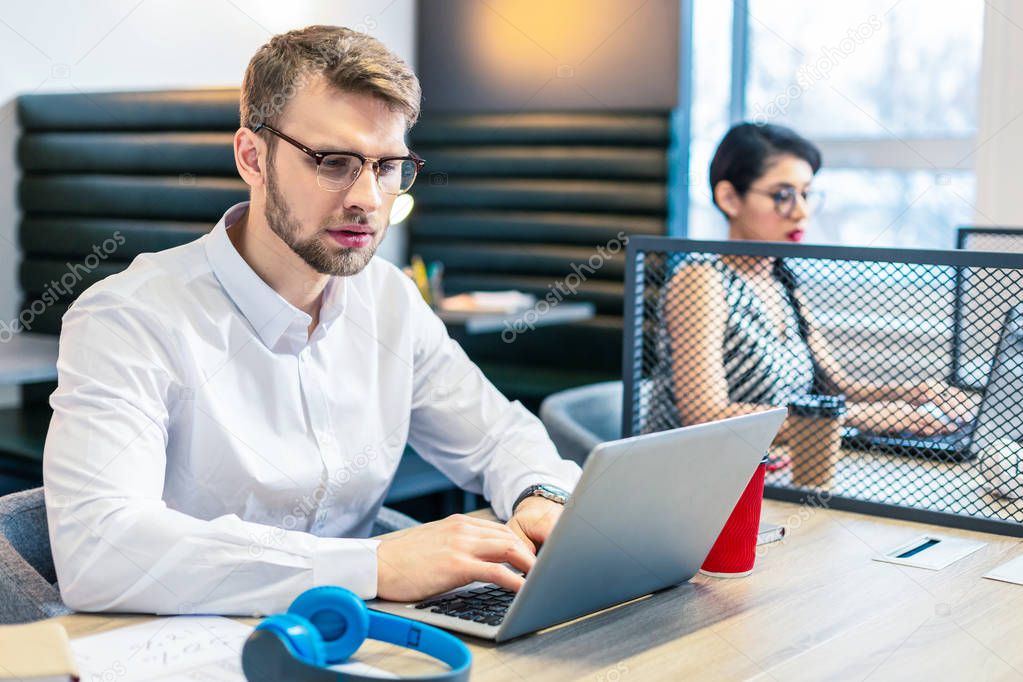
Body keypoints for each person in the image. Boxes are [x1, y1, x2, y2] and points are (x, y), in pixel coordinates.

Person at [43, 25, 580, 615]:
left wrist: (541, 495)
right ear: (253, 157)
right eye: (334, 161)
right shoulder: (128, 318)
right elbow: (101, 550)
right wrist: (373, 566)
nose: (369, 200)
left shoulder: (390, 302)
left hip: (365, 637)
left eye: (387, 166)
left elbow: (499, 437)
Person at [644, 122, 976, 448]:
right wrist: (856, 416)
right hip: (701, 477)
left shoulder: (781, 281)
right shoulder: (702, 282)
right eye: (783, 195)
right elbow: (706, 417)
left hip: (766, 469)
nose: (801, 212)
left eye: (806, 194)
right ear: (730, 198)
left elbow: (835, 386)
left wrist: (914, 394)